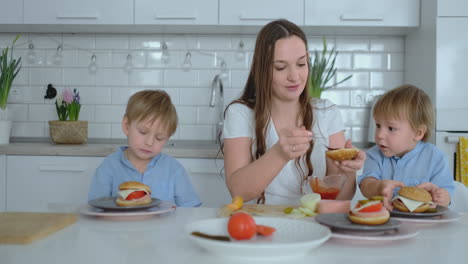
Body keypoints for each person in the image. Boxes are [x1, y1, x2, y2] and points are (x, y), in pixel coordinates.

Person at [221, 19, 366, 205]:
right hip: (262, 223)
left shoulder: (327, 113)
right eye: (280, 67)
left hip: (315, 224)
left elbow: (341, 198)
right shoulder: (240, 114)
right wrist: (280, 154)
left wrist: (348, 171)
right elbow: (238, 191)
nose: (294, 76)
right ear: (262, 69)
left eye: (301, 64)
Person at [88, 90, 201, 207]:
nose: (149, 142)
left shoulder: (174, 170)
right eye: (143, 132)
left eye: (159, 138)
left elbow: (191, 210)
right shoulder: (108, 168)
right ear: (126, 126)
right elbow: (96, 209)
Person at [358, 84, 455, 209]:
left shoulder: (435, 157)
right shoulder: (374, 155)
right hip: (385, 222)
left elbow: (446, 194)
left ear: (418, 133)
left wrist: (442, 197)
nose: (380, 135)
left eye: (391, 128)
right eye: (378, 125)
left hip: (425, 224)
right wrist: (378, 187)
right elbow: (366, 184)